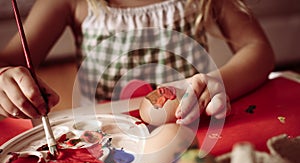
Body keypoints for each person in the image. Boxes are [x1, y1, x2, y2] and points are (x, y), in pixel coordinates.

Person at [0, 0, 274, 125]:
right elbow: (8, 62)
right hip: (104, 144)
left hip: (192, 134)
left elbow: (258, 48)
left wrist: (217, 83)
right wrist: (4, 78)